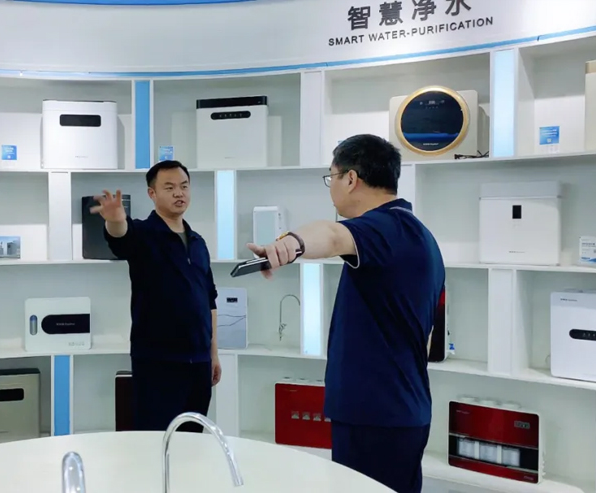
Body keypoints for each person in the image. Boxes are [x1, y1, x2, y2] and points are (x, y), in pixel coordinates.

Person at [248, 134, 445, 493]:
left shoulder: (385, 228)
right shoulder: (415, 233)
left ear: (351, 178)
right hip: (396, 409)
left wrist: (291, 244)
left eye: (332, 177)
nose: (331, 189)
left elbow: (332, 234)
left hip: (377, 416)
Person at [91, 160, 220, 433]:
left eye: (184, 186)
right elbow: (121, 238)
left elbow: (210, 299)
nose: (179, 193)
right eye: (169, 187)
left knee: (192, 440)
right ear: (152, 193)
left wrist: (213, 353)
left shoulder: (198, 242)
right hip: (157, 361)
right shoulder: (143, 234)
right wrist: (115, 220)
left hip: (199, 362)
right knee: (154, 440)